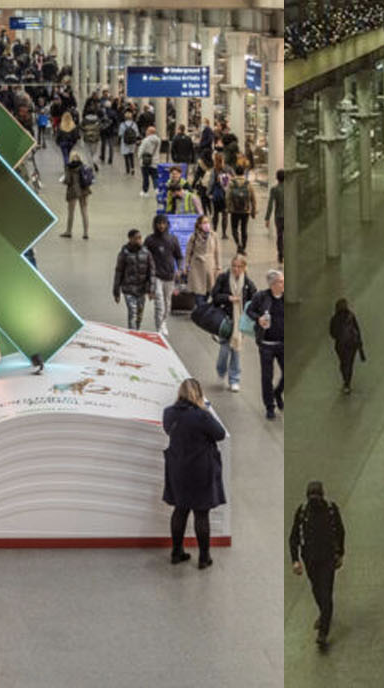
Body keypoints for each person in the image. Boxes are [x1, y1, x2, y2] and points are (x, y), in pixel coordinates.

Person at [161, 378, 225, 569]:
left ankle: (176, 551)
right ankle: (204, 557)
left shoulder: (169, 413)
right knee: (201, 513)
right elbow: (219, 434)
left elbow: (167, 431)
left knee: (180, 510)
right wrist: (206, 409)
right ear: (198, 394)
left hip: (177, 468)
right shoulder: (201, 416)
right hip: (200, 469)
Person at [290, 481, 346, 649]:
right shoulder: (302, 512)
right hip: (310, 559)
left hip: (328, 558)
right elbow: (293, 538)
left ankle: (323, 632)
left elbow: (340, 532)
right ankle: (324, 614)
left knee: (326, 593)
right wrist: (295, 560)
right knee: (316, 589)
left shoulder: (331, 510)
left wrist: (340, 553)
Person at [209, 253, 254, 393]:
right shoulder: (223, 278)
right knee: (224, 349)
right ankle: (221, 370)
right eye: (234, 266)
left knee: (235, 351)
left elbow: (255, 300)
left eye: (239, 266)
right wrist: (228, 298)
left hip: (239, 322)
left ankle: (234, 379)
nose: (236, 269)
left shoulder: (247, 283)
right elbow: (214, 296)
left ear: (244, 268)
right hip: (225, 320)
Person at [247, 269, 288, 420]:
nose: (284, 284)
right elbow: (250, 311)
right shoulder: (261, 297)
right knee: (267, 376)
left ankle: (278, 392)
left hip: (283, 343)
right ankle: (269, 406)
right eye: (281, 282)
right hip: (266, 345)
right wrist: (258, 319)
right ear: (273, 284)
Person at [146, 213, 183, 334]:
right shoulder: (150, 240)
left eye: (163, 223)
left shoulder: (173, 239)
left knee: (167, 303)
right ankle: (159, 327)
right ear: (155, 225)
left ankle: (163, 322)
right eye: (159, 223)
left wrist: (180, 269)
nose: (161, 226)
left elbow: (179, 257)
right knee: (159, 304)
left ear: (167, 225)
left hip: (169, 276)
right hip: (156, 276)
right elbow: (144, 257)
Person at [112, 229, 153, 331]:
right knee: (132, 313)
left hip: (141, 290)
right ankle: (133, 335)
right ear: (130, 239)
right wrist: (116, 292)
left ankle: (137, 331)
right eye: (136, 238)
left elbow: (151, 271)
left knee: (139, 315)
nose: (139, 240)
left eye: (140, 238)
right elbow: (118, 272)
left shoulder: (146, 253)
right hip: (128, 289)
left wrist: (151, 289)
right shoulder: (124, 254)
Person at [328, 298, 366, 394]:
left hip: (340, 345)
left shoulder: (335, 318)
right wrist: (360, 346)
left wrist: (338, 336)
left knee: (343, 363)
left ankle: (346, 381)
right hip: (352, 345)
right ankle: (347, 383)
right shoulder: (351, 316)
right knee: (349, 364)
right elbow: (357, 330)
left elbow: (332, 333)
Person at [60, 148, 93, 239]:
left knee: (71, 212)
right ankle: (86, 233)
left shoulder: (69, 167)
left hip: (73, 191)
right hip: (84, 190)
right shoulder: (84, 166)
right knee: (84, 211)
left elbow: (67, 180)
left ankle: (68, 231)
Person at [225, 168, 254, 255]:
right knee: (244, 229)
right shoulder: (248, 183)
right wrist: (253, 210)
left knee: (234, 229)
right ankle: (243, 247)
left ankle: (239, 245)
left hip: (235, 210)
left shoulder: (231, 183)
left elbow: (227, 197)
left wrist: (228, 208)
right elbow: (253, 198)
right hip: (246, 210)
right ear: (243, 172)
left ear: (235, 173)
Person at [137, 123, 162, 196]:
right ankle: (156, 188)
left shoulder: (146, 140)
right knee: (155, 176)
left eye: (147, 131)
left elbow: (141, 150)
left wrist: (139, 157)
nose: (146, 132)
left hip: (145, 162)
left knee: (146, 177)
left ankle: (145, 191)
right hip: (155, 161)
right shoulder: (158, 140)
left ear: (150, 132)